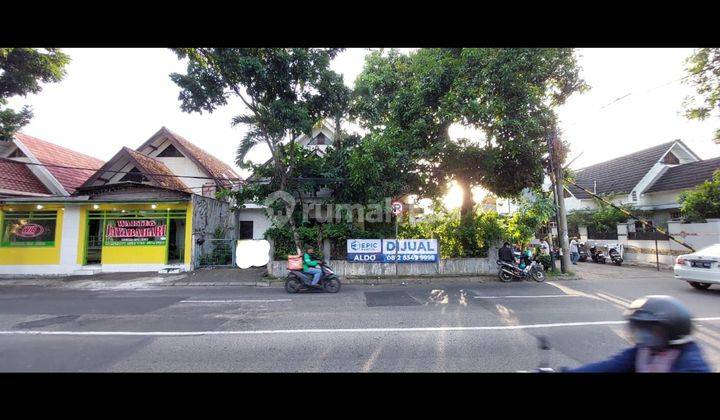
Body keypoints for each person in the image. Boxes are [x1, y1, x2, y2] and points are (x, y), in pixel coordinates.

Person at [566, 295, 711, 372]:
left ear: (674, 330)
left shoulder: (691, 362)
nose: (643, 335)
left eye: (651, 330)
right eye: (640, 328)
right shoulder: (643, 350)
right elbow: (609, 366)